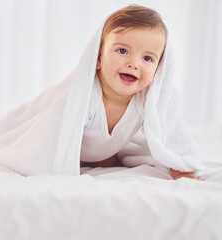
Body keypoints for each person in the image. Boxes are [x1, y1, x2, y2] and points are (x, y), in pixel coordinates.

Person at [79, 5, 198, 180]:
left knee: (109, 160)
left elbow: (171, 132)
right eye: (122, 51)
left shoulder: (148, 98)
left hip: (107, 157)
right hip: (76, 155)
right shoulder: (87, 96)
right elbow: (57, 132)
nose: (134, 64)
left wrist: (182, 168)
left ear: (159, 69)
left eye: (147, 58)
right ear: (98, 58)